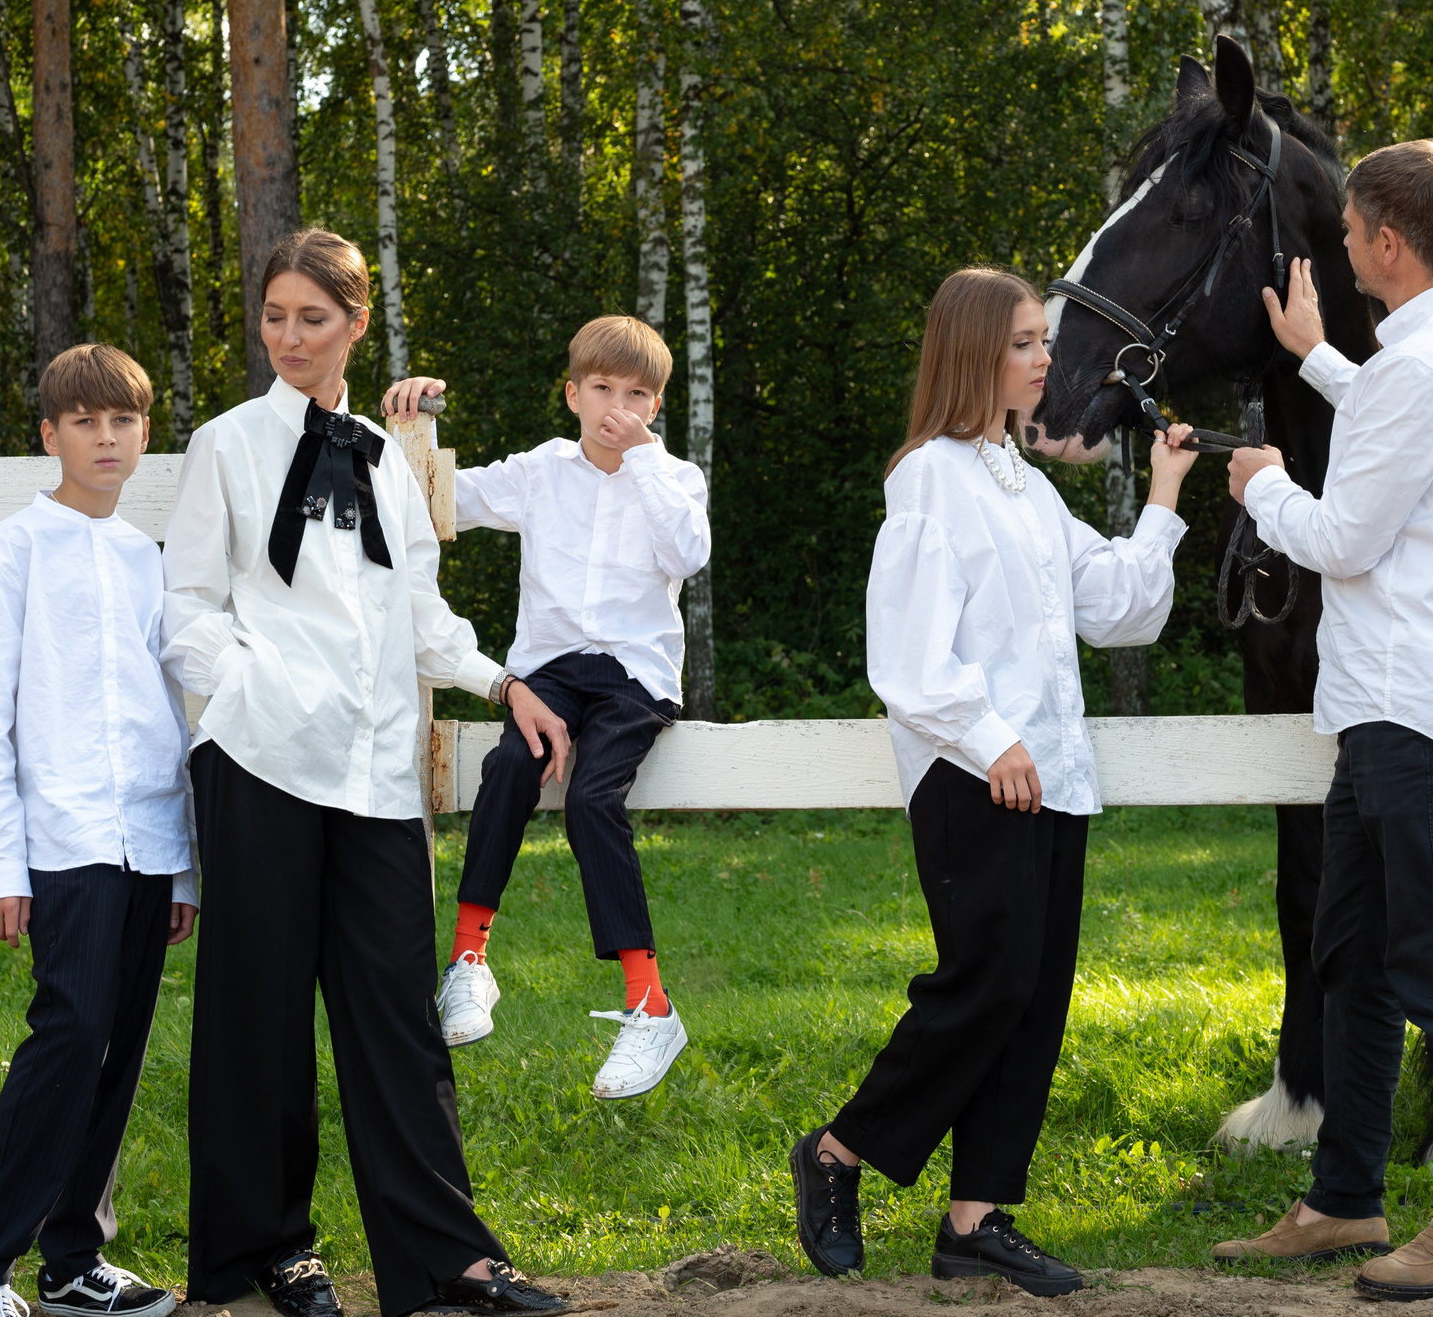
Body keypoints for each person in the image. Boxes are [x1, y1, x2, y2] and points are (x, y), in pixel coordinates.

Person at [162, 229, 570, 1317]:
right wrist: (244, 689)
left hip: (380, 772)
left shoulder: (392, 458)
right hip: (260, 760)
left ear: (355, 324)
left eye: (312, 317)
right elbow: (187, 606)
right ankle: (271, 1250)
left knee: (394, 1009)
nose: (288, 335)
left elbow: (420, 613)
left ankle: (448, 1256)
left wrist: (503, 682)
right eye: (275, 314)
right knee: (258, 1012)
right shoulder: (227, 444)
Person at [787, 267, 1199, 1298]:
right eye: (1024, 340)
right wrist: (987, 737)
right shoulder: (929, 476)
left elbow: (1114, 608)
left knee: (1034, 999)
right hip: (979, 775)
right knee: (986, 983)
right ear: (974, 352)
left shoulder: (1020, 478)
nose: (1043, 356)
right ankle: (838, 1150)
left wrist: (1163, 493)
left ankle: (976, 1216)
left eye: (1039, 340)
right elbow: (909, 651)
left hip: (1051, 777)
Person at [1209, 139, 1433, 1298]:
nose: (1341, 250)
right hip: (1383, 710)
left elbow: (1344, 537)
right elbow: (1399, 429)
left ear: (1388, 243)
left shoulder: (1425, 367)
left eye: (1348, 233)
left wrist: (1262, 486)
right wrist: (1317, 358)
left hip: (1407, 709)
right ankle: (1345, 1195)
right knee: (1352, 955)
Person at [380, 315, 710, 1102]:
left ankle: (649, 1002)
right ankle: (468, 961)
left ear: (655, 407)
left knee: (594, 796)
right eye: (601, 389)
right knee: (506, 767)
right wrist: (409, 423)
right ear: (572, 393)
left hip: (634, 675)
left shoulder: (673, 476)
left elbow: (687, 555)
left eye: (635, 395)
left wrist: (644, 462)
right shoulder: (542, 471)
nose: (615, 407)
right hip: (552, 674)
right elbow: (436, 496)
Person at [0, 343, 197, 1317]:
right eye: (84, 421)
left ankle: (74, 1261)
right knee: (70, 1032)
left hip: (146, 845)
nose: (105, 437)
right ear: (50, 434)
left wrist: (181, 872)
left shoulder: (146, 556)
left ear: (143, 434)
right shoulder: (17, 546)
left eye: (122, 420)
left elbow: (165, 715)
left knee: (120, 1046)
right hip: (61, 842)